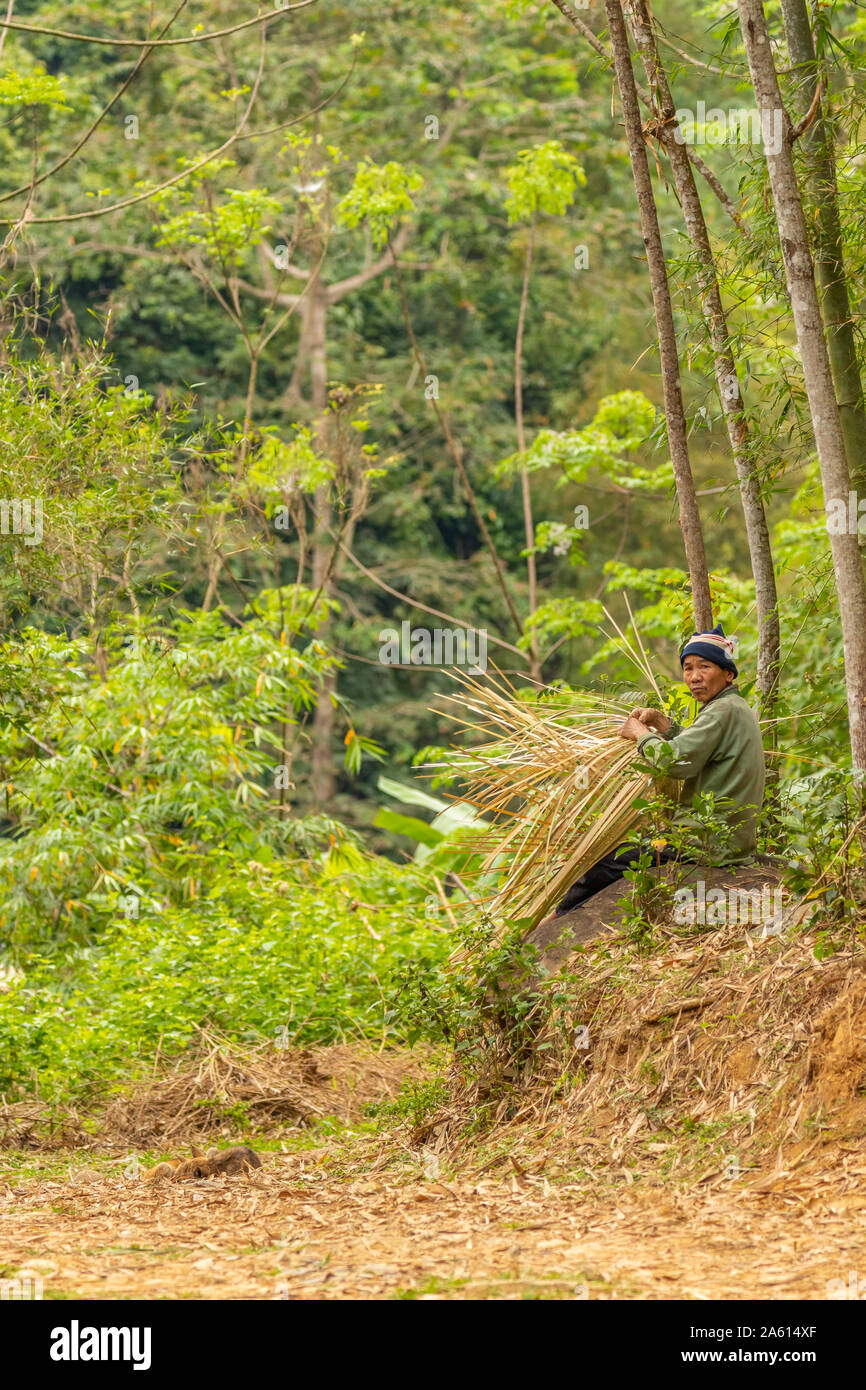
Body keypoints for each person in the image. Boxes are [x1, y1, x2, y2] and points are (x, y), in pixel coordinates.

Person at [553, 624, 766, 917]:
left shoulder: (722, 711)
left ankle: (556, 921)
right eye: (688, 668)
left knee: (614, 860)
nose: (694, 677)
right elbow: (697, 745)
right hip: (727, 842)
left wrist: (640, 733)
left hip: (703, 845)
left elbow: (674, 762)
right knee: (633, 852)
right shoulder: (733, 707)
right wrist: (662, 724)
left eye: (704, 666)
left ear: (728, 673)